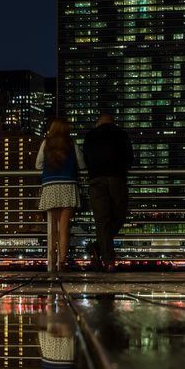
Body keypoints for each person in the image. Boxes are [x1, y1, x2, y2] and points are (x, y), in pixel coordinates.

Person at [82, 113, 133, 271]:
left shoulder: (90, 136)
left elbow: (85, 159)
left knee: (102, 220)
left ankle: (107, 258)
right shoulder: (121, 134)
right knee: (119, 215)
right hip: (117, 178)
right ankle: (103, 252)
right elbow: (130, 158)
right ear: (113, 122)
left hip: (96, 180)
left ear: (98, 123)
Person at [35, 118, 86, 271]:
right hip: (68, 185)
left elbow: (38, 164)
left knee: (53, 227)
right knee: (64, 227)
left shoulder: (46, 143)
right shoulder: (71, 143)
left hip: (50, 185)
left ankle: (51, 259)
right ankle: (62, 262)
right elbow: (82, 164)